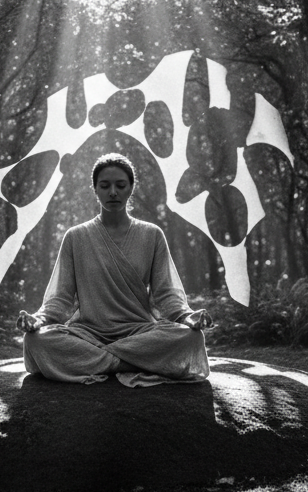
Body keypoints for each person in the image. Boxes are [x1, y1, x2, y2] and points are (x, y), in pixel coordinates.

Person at [17, 152, 213, 387]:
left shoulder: (152, 235)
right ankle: (134, 362)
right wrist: (37, 320)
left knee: (191, 338)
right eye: (105, 185)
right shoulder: (76, 237)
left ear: (131, 188)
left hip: (139, 331)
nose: (113, 192)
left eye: (120, 185)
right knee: (35, 341)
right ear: (95, 189)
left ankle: (102, 361)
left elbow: (166, 294)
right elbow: (60, 298)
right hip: (88, 333)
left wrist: (186, 316)